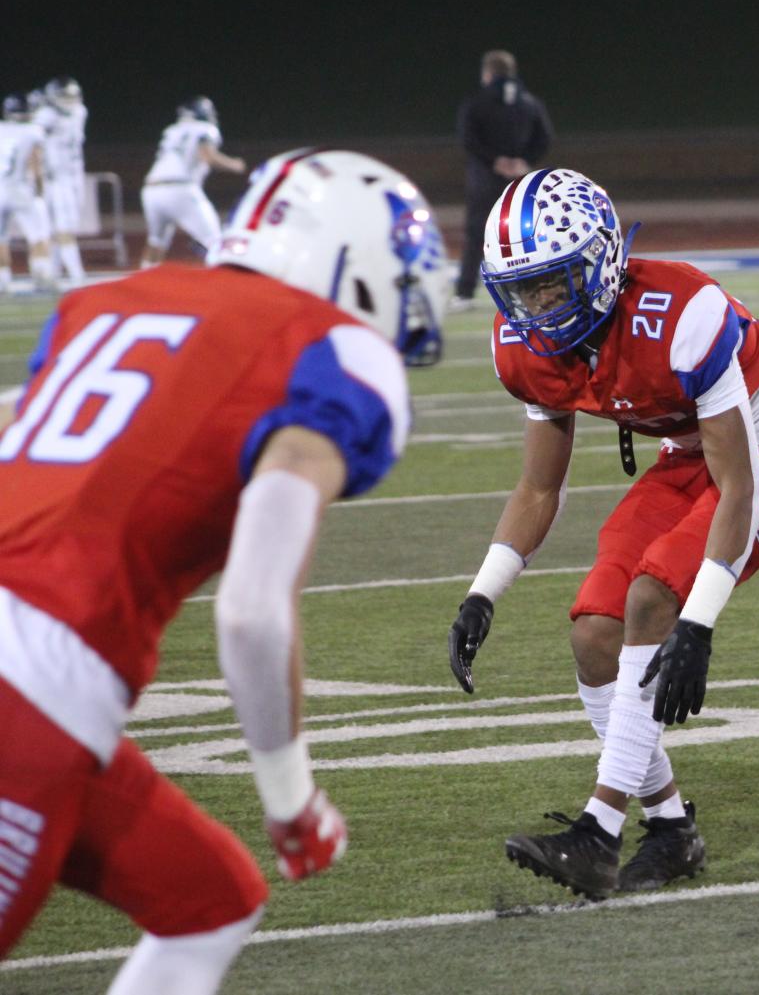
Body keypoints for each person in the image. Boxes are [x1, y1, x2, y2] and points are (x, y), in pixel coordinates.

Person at [0, 148, 447, 992]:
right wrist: (289, 796)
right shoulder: (329, 354)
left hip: (36, 681)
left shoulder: (103, 303)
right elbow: (250, 607)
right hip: (32, 686)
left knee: (209, 896)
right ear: (351, 259)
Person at [446, 168, 759, 900]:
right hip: (689, 455)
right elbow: (538, 486)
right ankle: (671, 826)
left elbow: (740, 485)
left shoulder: (680, 311)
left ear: (597, 262)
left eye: (550, 284)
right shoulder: (526, 349)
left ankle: (596, 832)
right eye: (520, 289)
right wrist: (482, 592)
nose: (534, 305)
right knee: (594, 629)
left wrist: (700, 623)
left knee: (654, 593)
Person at [453, 49, 553, 310]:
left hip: (484, 179)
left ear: (487, 73)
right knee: (521, 234)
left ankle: (465, 293)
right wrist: (522, 161)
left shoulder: (476, 102)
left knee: (477, 234)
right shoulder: (529, 101)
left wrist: (494, 161)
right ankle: (530, 291)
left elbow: (467, 138)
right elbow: (545, 138)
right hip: (519, 180)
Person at [140, 96, 247, 267]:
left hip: (151, 189)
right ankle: (223, 284)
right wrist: (234, 165)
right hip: (179, 188)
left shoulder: (172, 130)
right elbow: (207, 155)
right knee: (215, 241)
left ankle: (140, 285)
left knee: (156, 242)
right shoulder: (205, 129)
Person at [31, 77, 88, 288]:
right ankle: (76, 275)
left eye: (72, 96)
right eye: (64, 96)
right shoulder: (46, 115)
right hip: (55, 177)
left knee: (65, 226)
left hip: (73, 175)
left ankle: (54, 272)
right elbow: (33, 137)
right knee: (62, 227)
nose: (70, 100)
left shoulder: (79, 111)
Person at [0, 93, 54, 292]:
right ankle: (41, 278)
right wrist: (39, 188)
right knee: (38, 235)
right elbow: (35, 162)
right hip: (20, 188)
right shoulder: (33, 131)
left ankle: (2, 283)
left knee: (1, 238)